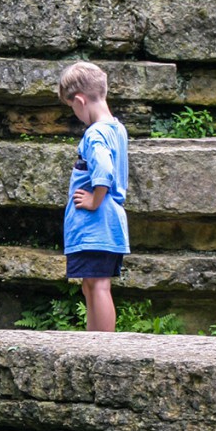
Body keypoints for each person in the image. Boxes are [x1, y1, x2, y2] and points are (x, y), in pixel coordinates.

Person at [58, 61, 130, 332]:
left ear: (80, 100)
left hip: (96, 224)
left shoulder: (95, 133)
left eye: (73, 108)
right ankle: (95, 342)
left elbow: (104, 169)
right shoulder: (116, 129)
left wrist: (93, 200)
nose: (76, 114)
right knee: (93, 284)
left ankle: (103, 346)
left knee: (98, 285)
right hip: (109, 225)